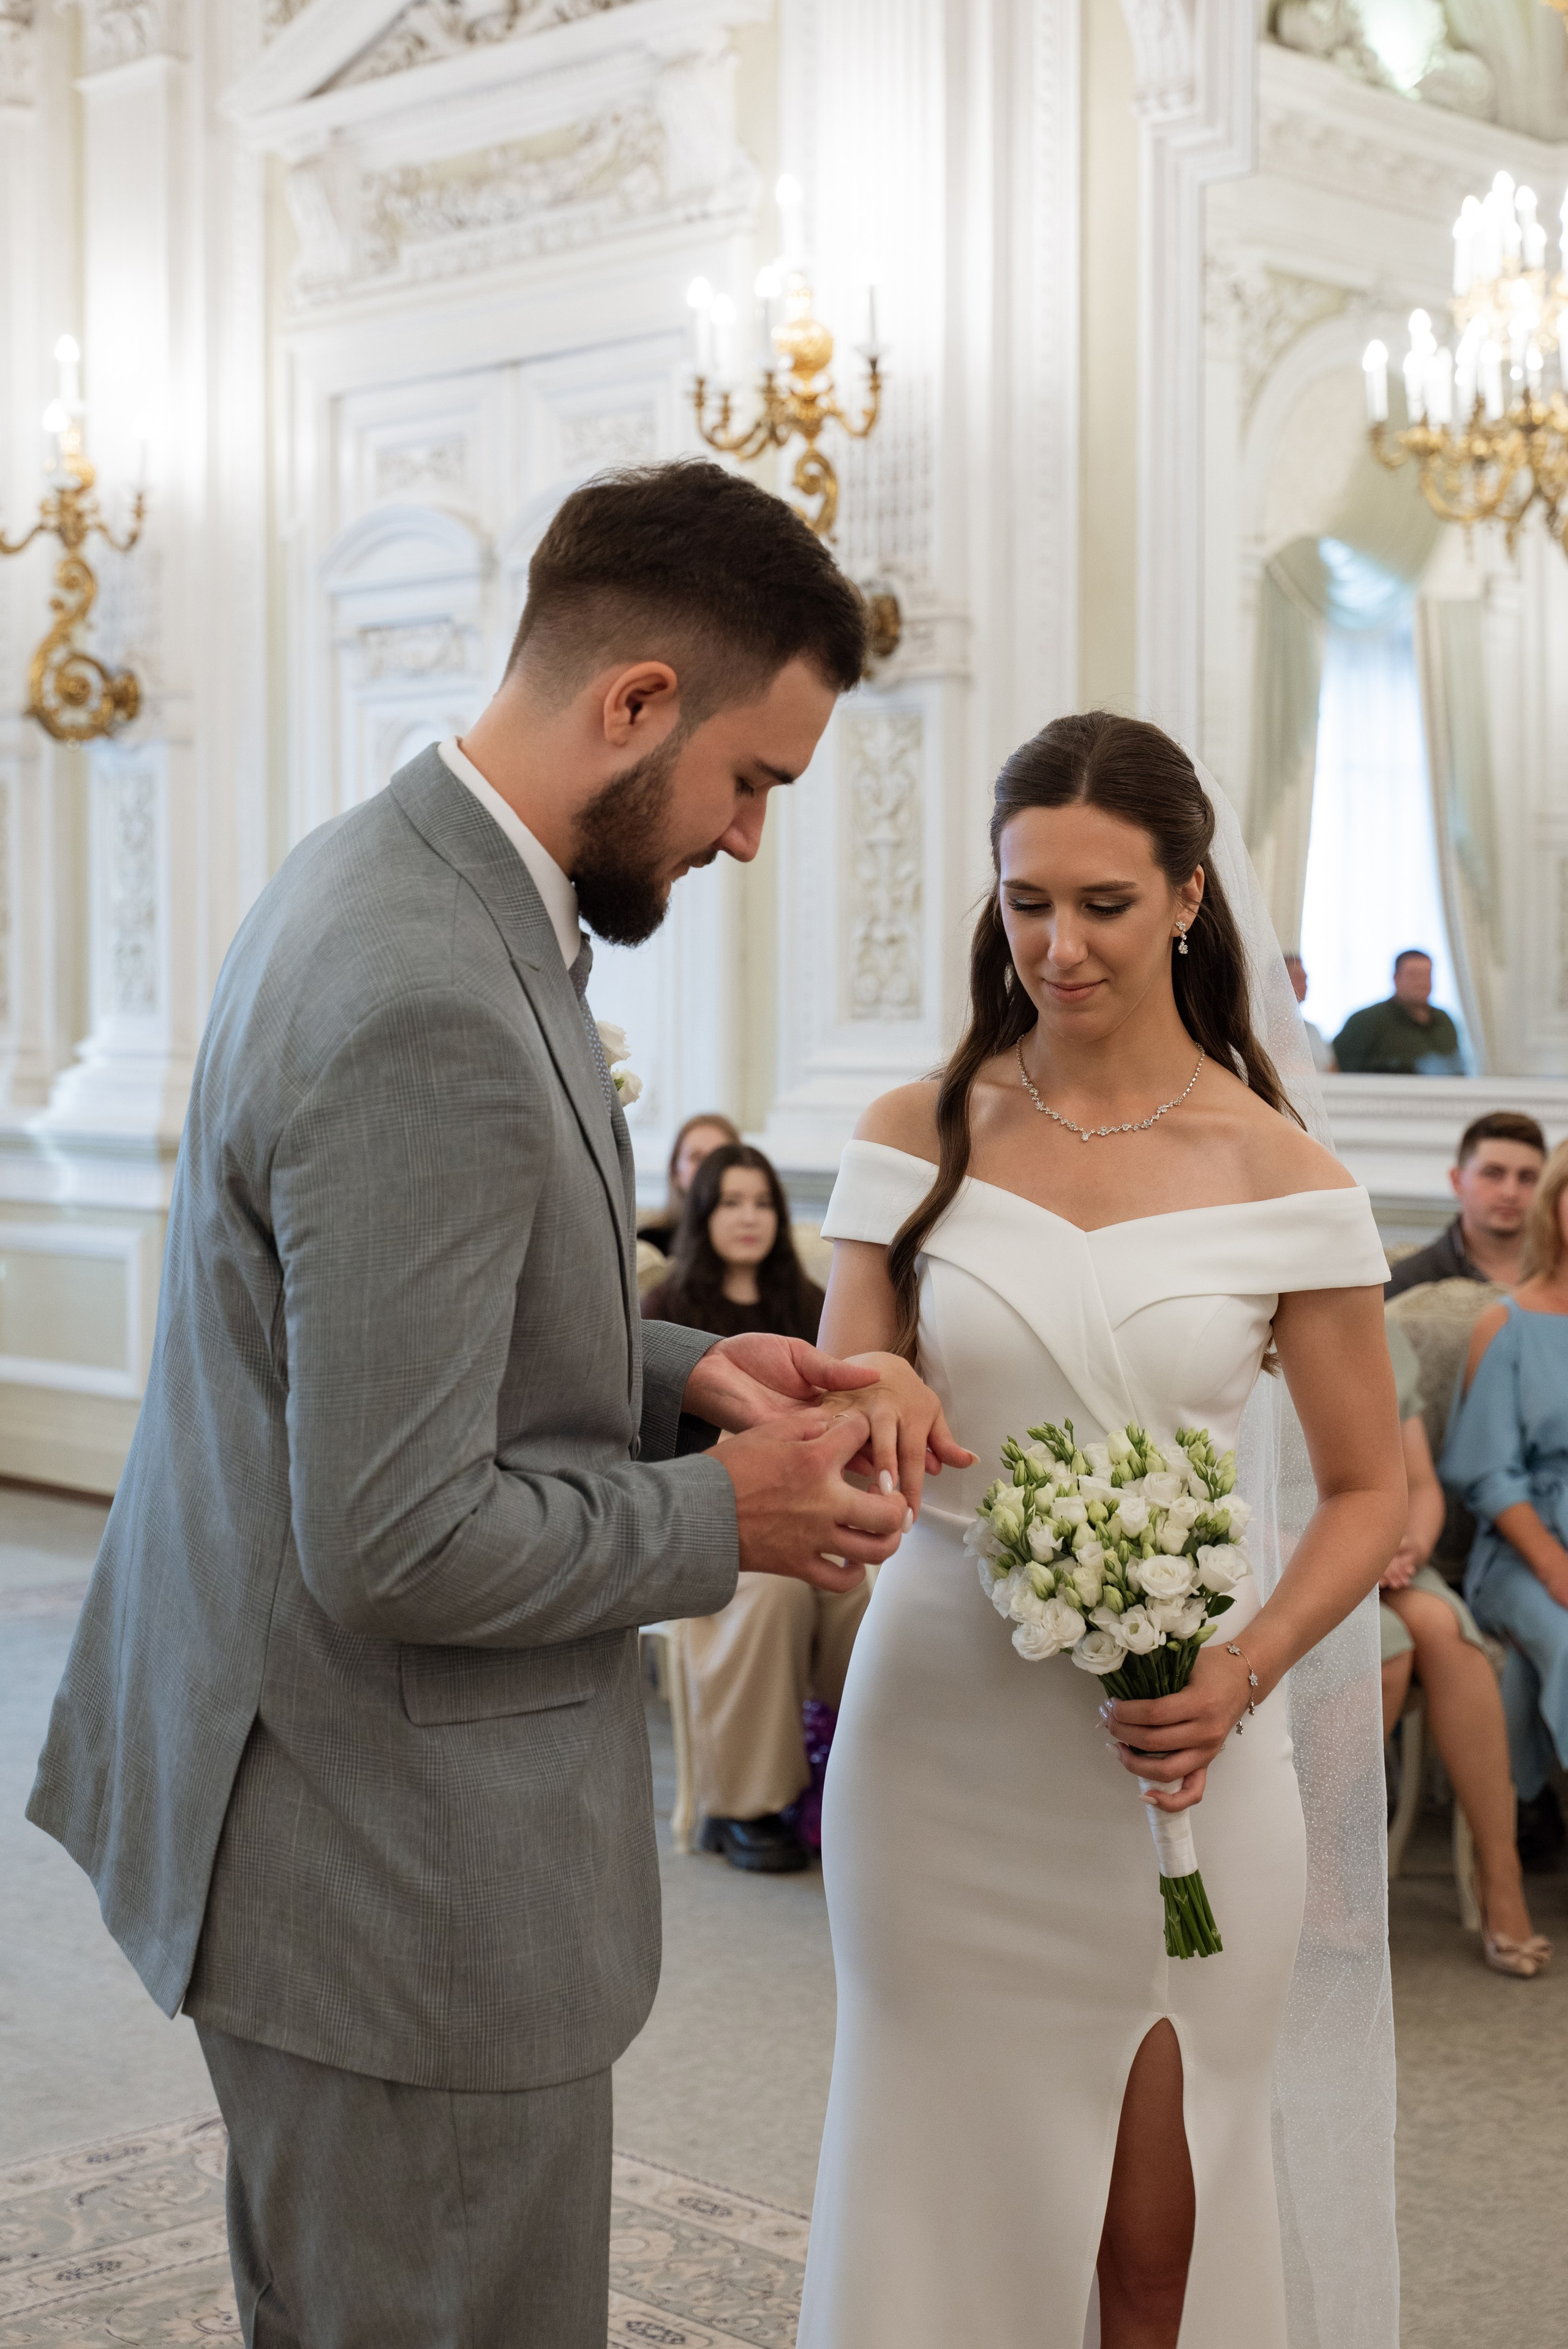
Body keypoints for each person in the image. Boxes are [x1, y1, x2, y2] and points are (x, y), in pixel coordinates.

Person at [26, 460, 971, 2349]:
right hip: (392, 1877)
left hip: (320, 1813)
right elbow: (397, 1532)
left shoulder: (382, 871)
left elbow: (374, 1322)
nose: (751, 837)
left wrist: (678, 1365)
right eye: (751, 779)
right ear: (636, 703)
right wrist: (736, 1518)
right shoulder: (424, 986)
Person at [797, 712, 1404, 2348]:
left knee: (1159, 2228)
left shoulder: (1281, 1171)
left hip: (1187, 1755)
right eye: (1025, 902)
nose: (1057, 946)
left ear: (1189, 897)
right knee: (934, 2181)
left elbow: (1373, 1491)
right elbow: (853, 1401)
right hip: (941, 1737)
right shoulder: (906, 1138)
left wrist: (1245, 1667)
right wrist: (863, 1426)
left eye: (1104, 904)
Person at [645, 1142, 864, 1872]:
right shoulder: (666, 1310)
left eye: (762, 1202)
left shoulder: (808, 1304)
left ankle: (863, 1777)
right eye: (731, 1202)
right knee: (772, 1593)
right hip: (709, 1512)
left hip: (807, 1506)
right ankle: (746, 1803)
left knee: (861, 1591)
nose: (749, 1217)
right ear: (704, 1213)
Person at [1380, 1324, 1547, 1975]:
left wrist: (1412, 1549)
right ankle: (1332, 1875)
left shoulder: (1383, 1330)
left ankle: (1497, 1872)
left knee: (1446, 1633)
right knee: (1389, 1647)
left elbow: (1420, 1485)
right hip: (1289, 1548)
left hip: (1389, 1551)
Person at [1443, 1137, 1568, 1879]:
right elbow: (1487, 1474)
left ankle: (1530, 1803)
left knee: (1526, 1667)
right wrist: (1554, 1567)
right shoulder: (1509, 1322)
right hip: (1525, 1548)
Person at [1384, 1110, 1547, 1299]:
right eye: (1493, 1174)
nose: (1510, 1193)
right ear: (1457, 1181)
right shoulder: (1409, 1284)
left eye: (1527, 1178)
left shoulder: (1561, 1274)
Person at [1333, 948, 1464, 1075]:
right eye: (1414, 975)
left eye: (1427, 975)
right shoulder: (1366, 1020)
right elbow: (1340, 1072)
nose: (1422, 982)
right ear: (1396, 978)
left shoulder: (1444, 1020)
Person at [637, 1110, 742, 1255]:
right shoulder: (648, 1245)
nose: (707, 1167)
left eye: (718, 1158)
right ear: (675, 1170)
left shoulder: (752, 1241)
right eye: (696, 1157)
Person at [1283, 951, 1333, 1072]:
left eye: (1306, 979)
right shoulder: (1266, 1028)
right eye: (1298, 978)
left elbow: (1331, 1069)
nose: (1305, 986)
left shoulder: (1312, 1030)